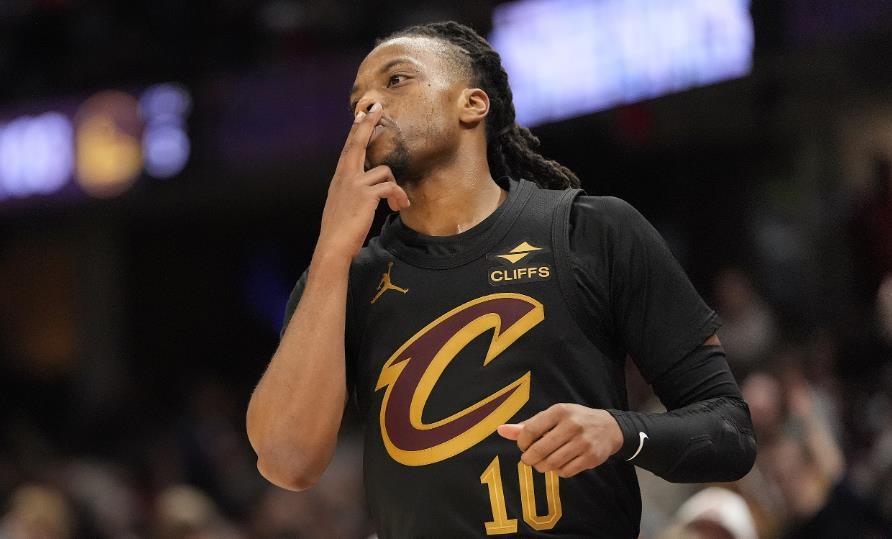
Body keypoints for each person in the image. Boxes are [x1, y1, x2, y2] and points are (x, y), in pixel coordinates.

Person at [246, 21, 756, 538]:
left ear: (472, 104)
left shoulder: (591, 232)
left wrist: (621, 431)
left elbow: (730, 431)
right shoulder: (346, 279)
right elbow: (287, 463)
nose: (368, 106)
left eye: (396, 80)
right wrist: (331, 249)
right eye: (356, 100)